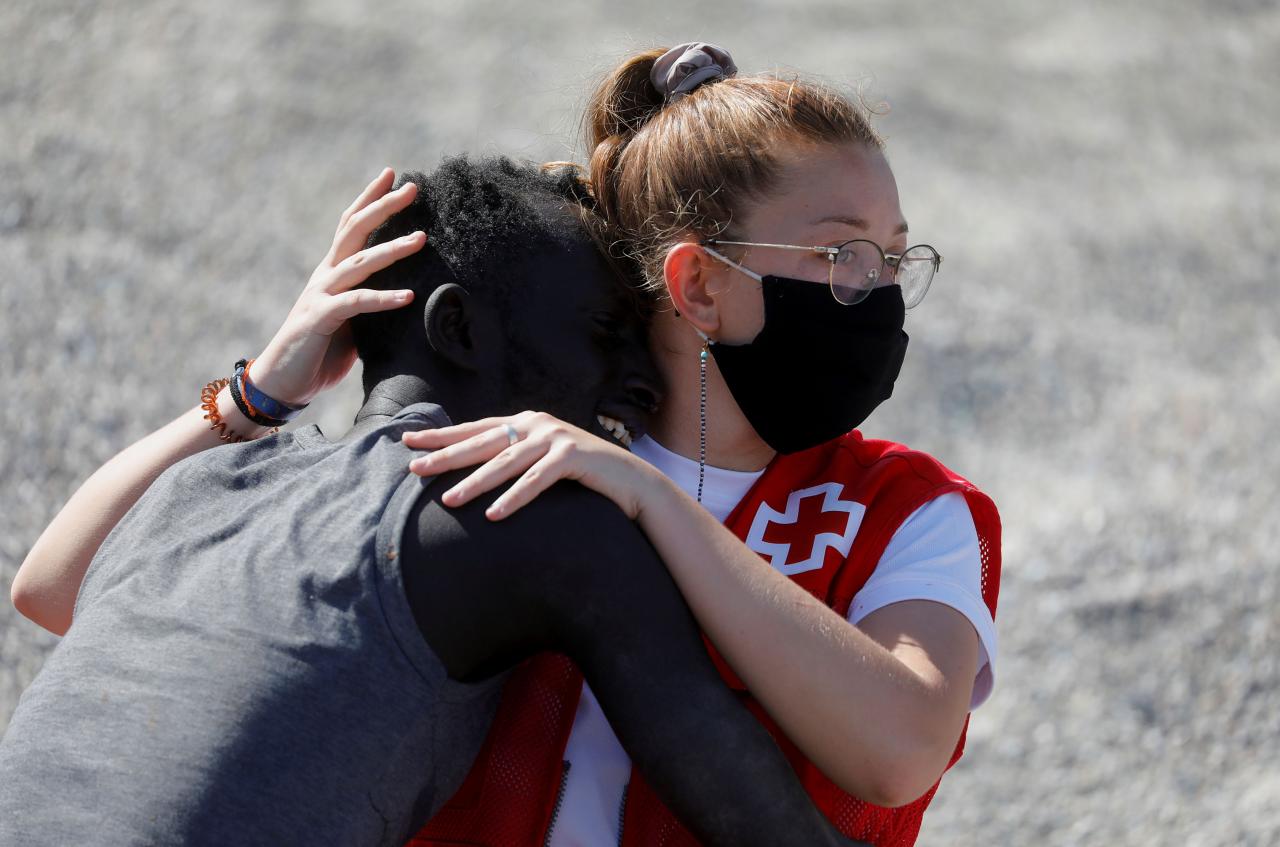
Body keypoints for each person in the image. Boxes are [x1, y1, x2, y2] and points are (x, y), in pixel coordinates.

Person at [14, 43, 1002, 847]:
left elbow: (902, 747)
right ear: (696, 284)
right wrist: (254, 391)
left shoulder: (909, 508)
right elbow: (60, 588)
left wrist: (653, 504)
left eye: (895, 253)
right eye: (841, 256)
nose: (877, 290)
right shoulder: (511, 459)